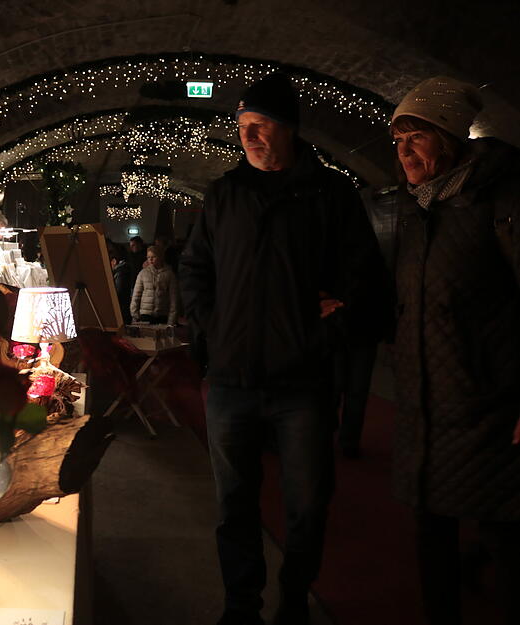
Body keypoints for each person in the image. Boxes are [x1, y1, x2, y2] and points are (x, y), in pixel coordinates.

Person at [179, 73, 390, 625]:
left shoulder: (330, 195)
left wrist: (326, 331)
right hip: (231, 378)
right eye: (244, 126)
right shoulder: (226, 194)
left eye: (261, 125)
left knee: (307, 504)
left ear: (289, 128)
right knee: (234, 506)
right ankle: (241, 606)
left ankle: (294, 599)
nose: (250, 136)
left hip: (303, 383)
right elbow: (196, 268)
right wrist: (213, 326)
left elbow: (364, 281)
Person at [389, 76, 520, 625]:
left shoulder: (501, 199)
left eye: (416, 137)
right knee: (430, 532)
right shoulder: (418, 211)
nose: (404, 153)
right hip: (426, 403)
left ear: (448, 137)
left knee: (504, 531)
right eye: (398, 143)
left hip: (488, 403)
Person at [131, 245, 177, 325]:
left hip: (162, 315)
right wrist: (135, 314)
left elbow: (174, 299)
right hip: (146, 314)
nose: (150, 259)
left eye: (153, 256)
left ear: (160, 257)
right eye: (148, 257)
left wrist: (171, 320)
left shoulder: (169, 274)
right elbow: (136, 295)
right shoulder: (143, 273)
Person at [107, 240, 133, 325]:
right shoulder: (123, 271)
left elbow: (119, 292)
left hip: (121, 310)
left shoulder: (121, 273)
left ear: (114, 261)